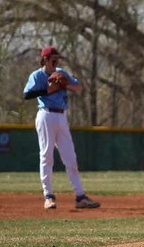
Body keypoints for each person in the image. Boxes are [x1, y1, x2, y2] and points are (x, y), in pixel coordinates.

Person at [23, 46, 100, 210]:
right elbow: (27, 94)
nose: (56, 62)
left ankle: (80, 197)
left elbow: (78, 86)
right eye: (53, 59)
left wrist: (65, 84)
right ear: (45, 59)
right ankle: (48, 196)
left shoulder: (61, 73)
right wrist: (47, 89)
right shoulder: (37, 75)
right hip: (46, 115)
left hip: (62, 116)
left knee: (70, 158)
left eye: (57, 59)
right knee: (46, 156)